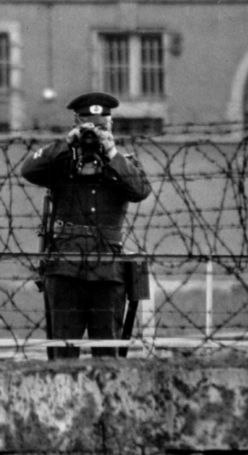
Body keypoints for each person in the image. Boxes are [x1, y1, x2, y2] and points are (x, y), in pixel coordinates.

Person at [22, 92, 152, 358]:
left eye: (101, 128)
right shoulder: (61, 161)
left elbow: (140, 191)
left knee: (108, 353)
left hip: (107, 270)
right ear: (75, 124)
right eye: (89, 128)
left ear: (111, 126)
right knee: (63, 353)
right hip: (65, 267)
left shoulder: (123, 163)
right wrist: (67, 144)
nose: (95, 134)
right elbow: (29, 170)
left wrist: (112, 152)